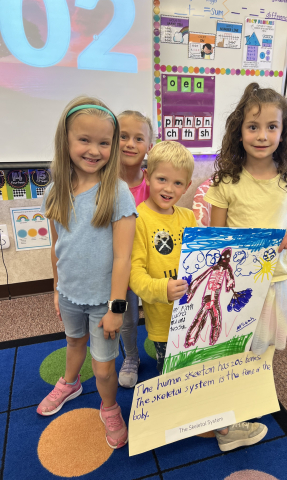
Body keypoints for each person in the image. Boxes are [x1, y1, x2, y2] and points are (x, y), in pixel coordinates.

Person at [204, 82, 287, 451]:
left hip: (277, 280)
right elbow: (216, 240)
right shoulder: (227, 181)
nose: (262, 135)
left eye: (271, 127)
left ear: (283, 132)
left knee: (262, 349)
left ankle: (243, 404)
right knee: (234, 346)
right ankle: (227, 422)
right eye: (253, 127)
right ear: (239, 131)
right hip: (239, 284)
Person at [37, 97, 137, 450]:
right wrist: (55, 289)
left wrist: (116, 309)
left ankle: (109, 407)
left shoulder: (118, 193)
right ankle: (69, 382)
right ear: (65, 140)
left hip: (104, 303)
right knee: (73, 343)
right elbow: (56, 247)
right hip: (69, 294)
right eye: (84, 140)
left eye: (104, 142)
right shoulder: (54, 191)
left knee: (105, 369)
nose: (94, 150)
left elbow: (123, 258)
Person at [129, 141, 198, 374]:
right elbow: (134, 274)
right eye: (162, 180)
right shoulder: (138, 219)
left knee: (192, 366)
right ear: (147, 177)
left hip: (192, 311)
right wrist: (162, 290)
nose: (169, 189)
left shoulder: (188, 217)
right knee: (168, 371)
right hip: (162, 317)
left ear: (187, 186)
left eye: (177, 183)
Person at [117, 110, 153, 388]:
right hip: (119, 265)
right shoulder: (105, 184)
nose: (130, 143)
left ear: (149, 147)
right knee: (126, 318)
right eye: (123, 136)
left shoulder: (155, 183)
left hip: (151, 263)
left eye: (138, 138)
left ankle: (167, 353)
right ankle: (131, 356)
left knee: (161, 311)